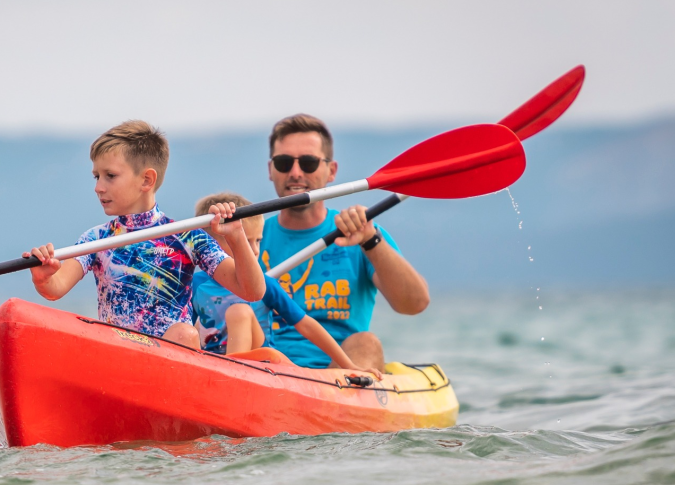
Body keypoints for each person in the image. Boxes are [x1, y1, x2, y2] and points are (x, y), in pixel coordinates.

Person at [24, 120, 265, 348]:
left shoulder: (187, 237)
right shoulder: (95, 239)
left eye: (110, 176)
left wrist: (236, 236)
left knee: (184, 333)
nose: (98, 187)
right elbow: (55, 289)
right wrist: (43, 278)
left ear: (147, 180)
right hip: (117, 358)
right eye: (97, 176)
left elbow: (252, 291)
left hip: (171, 363)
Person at [259, 114, 430, 370]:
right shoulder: (250, 238)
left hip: (339, 374)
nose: (295, 173)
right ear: (271, 170)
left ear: (332, 171)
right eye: (284, 163)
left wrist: (370, 240)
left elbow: (414, 304)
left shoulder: (364, 233)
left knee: (366, 343)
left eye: (308, 163)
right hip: (264, 372)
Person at [191, 192, 383, 378]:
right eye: (244, 241)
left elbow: (307, 325)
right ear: (210, 245)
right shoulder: (195, 284)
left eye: (258, 240)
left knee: (238, 312)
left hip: (261, 362)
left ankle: (232, 377)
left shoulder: (262, 283)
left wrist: (348, 365)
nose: (255, 250)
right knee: (189, 328)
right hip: (211, 360)